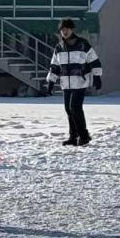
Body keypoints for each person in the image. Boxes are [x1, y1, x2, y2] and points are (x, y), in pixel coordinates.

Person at [45, 18, 102, 147]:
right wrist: (51, 82)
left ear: (72, 30)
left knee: (75, 108)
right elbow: (54, 66)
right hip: (66, 83)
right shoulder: (59, 47)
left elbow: (94, 60)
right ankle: (73, 137)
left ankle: (84, 136)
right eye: (62, 30)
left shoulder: (83, 44)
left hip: (80, 82)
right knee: (68, 110)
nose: (64, 32)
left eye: (67, 29)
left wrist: (97, 76)